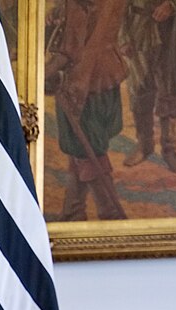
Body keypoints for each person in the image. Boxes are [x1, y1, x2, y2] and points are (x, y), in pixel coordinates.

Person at [45, 0, 128, 220]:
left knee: (88, 151)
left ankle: (111, 215)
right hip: (105, 75)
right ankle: (73, 211)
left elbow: (70, 50)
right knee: (81, 150)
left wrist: (39, 73)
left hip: (83, 81)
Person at [121, 0, 176, 173]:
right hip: (137, 29)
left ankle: (170, 150)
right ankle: (144, 146)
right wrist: (122, 37)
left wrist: (172, 4)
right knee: (139, 90)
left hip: (171, 33)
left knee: (170, 90)